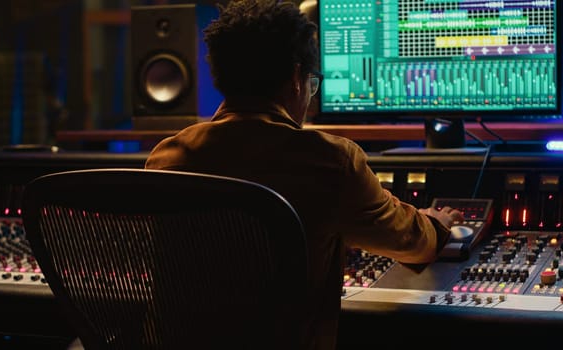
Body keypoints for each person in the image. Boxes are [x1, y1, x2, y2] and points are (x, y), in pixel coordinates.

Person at [144, 0, 464, 349]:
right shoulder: (329, 161)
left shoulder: (167, 158)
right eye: (312, 86)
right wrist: (437, 223)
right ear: (297, 79)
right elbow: (412, 243)